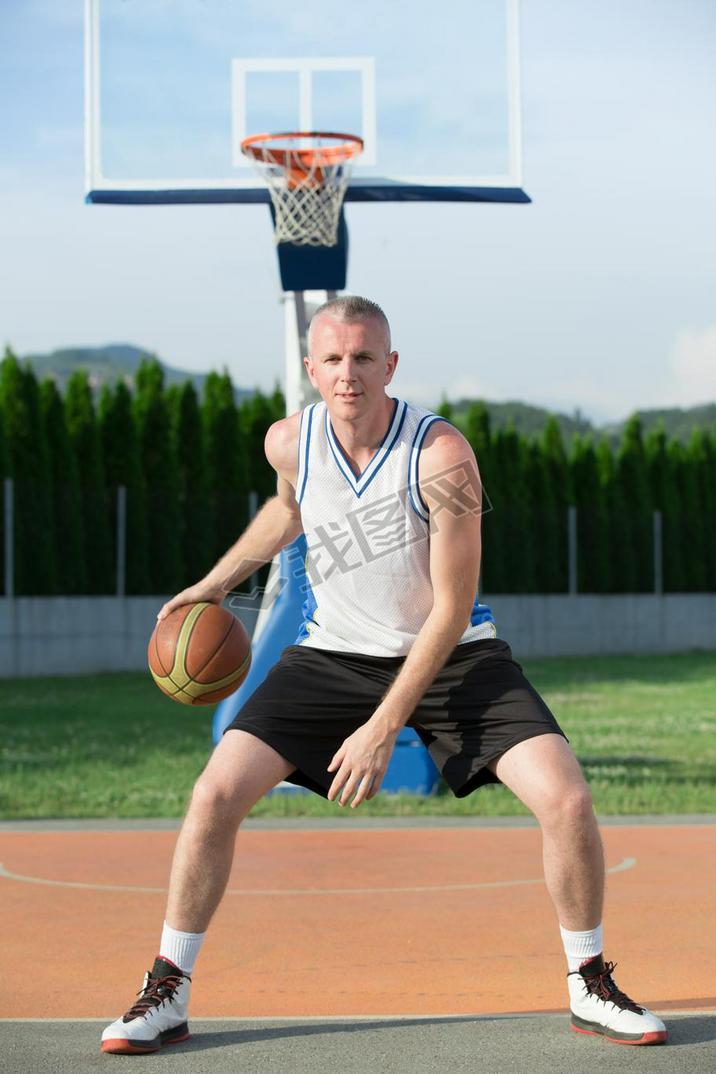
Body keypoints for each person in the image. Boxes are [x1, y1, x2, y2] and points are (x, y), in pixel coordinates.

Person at [101, 296, 667, 1054]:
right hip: (330, 655)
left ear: (390, 365)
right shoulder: (289, 442)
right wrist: (214, 584)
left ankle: (588, 981)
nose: (348, 374)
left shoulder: (443, 457)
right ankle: (167, 988)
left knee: (565, 798)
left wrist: (382, 724)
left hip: (455, 656)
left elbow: (451, 607)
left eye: (364, 358)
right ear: (311, 370)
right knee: (212, 794)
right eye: (332, 360)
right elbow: (289, 511)